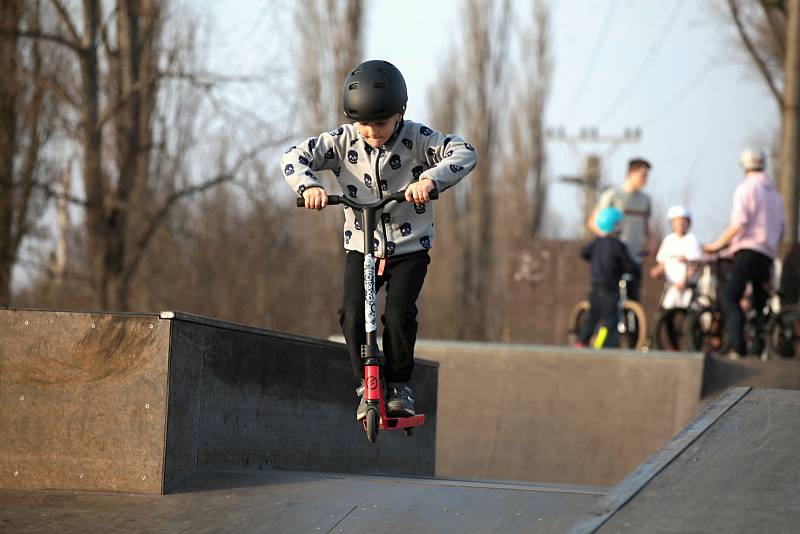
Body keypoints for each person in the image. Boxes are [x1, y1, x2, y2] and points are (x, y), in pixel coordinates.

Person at [280, 60, 478, 419]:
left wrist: (430, 180)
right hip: (361, 245)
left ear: (400, 112)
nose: (372, 133)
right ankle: (365, 383)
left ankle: (400, 384)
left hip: (409, 248)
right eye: (364, 125)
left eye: (381, 124)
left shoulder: (418, 139)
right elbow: (293, 156)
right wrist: (309, 186)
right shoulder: (342, 142)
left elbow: (465, 151)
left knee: (400, 314)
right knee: (351, 314)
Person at [703, 147, 786, 359]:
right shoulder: (776, 196)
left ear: (744, 166)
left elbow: (739, 223)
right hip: (767, 253)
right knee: (759, 300)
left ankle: (737, 345)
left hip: (748, 251)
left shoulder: (746, 188)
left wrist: (717, 245)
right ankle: (758, 346)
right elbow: (782, 229)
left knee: (730, 296)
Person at [588, 158, 653, 302]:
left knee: (633, 298)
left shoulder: (645, 200)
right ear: (631, 173)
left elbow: (647, 227)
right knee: (610, 300)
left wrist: (650, 245)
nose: (646, 179)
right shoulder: (612, 195)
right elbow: (593, 222)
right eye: (643, 175)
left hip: (634, 256)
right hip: (614, 255)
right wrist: (607, 240)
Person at [577, 207, 639, 348]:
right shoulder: (618, 245)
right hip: (609, 287)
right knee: (610, 318)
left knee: (593, 315)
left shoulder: (597, 242)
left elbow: (584, 253)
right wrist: (636, 268)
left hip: (594, 286)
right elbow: (628, 265)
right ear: (614, 225)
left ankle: (582, 341)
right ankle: (601, 344)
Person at [649, 205, 702, 309]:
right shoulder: (668, 240)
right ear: (672, 223)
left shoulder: (692, 240)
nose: (680, 224)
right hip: (671, 288)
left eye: (683, 221)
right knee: (665, 314)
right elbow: (663, 262)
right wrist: (657, 271)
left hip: (687, 288)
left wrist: (684, 281)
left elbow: (695, 264)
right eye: (677, 221)